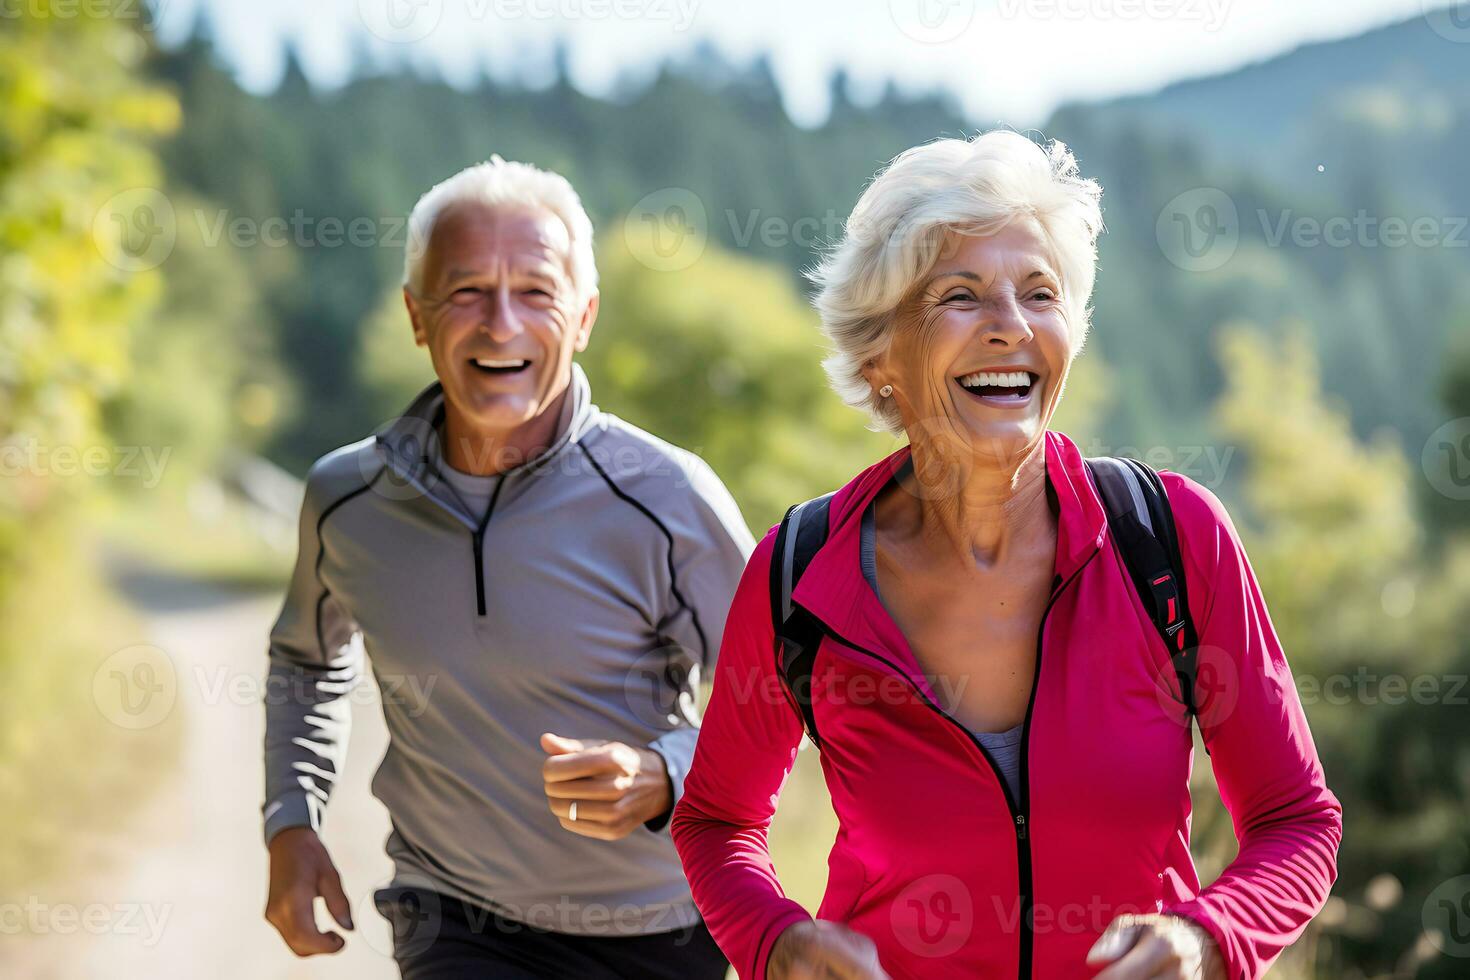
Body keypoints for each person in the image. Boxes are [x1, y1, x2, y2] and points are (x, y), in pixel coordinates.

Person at [671, 131, 1342, 980]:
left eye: (1040, 293)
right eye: (962, 295)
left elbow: (1296, 819)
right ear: (881, 358)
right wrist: (778, 941)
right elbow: (717, 821)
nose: (1011, 328)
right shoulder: (802, 572)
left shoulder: (1172, 539)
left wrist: (1211, 939)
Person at [261, 157, 749, 979]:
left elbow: (781, 697)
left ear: (584, 316)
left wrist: (665, 771)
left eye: (535, 291)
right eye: (465, 293)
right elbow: (306, 660)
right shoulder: (348, 497)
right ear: (416, 316)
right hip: (451, 916)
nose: (500, 324)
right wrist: (291, 820)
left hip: (658, 929)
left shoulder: (667, 498)